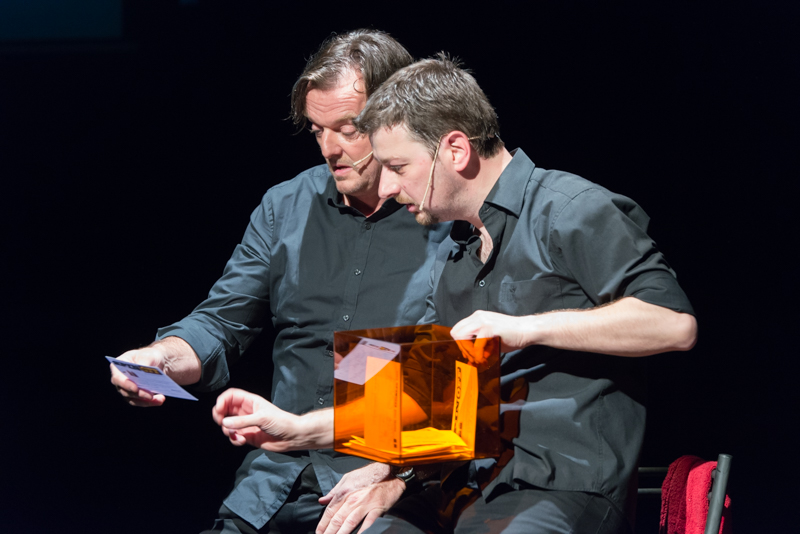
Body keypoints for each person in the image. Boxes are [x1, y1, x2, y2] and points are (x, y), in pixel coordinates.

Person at [109, 30, 450, 534]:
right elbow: (221, 321)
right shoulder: (285, 205)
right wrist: (159, 357)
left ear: (396, 119)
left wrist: (402, 475)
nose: (330, 149)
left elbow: (464, 384)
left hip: (391, 481)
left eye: (349, 129)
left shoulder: (446, 216)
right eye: (317, 131)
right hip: (273, 480)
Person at [351, 55, 698, 534]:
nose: (386, 187)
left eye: (397, 166)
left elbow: (673, 324)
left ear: (456, 149)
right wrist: (388, 471)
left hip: (560, 487)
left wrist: (525, 328)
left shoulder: (571, 210)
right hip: (462, 486)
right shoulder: (451, 253)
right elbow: (431, 405)